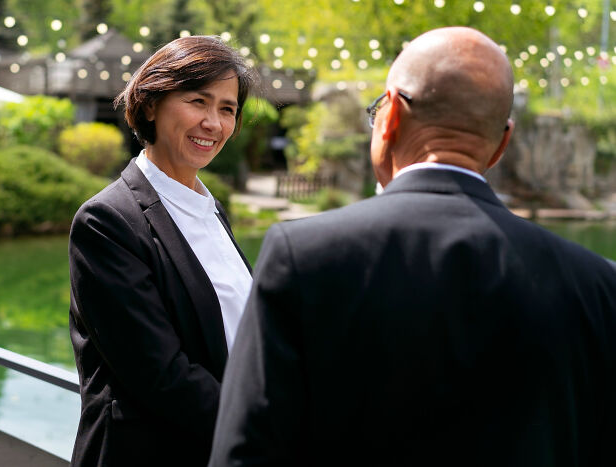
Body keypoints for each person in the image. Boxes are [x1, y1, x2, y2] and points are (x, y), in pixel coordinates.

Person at [209, 27, 616, 466]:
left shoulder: (303, 256)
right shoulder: (596, 284)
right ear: (502, 143)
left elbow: (245, 454)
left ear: (392, 117)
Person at [68, 35, 256, 466]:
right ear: (150, 105)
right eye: (197, 101)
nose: (214, 122)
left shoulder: (211, 211)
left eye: (227, 109)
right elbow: (161, 373)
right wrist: (262, 427)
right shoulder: (107, 221)